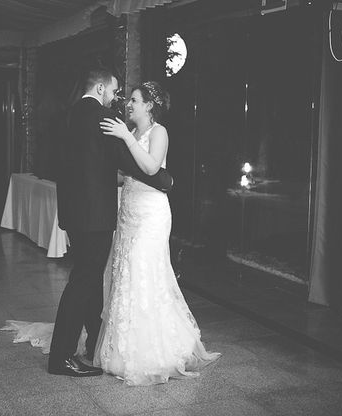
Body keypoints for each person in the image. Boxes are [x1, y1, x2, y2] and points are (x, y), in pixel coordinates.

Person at [46, 69, 173, 377]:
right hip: (95, 214)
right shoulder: (103, 118)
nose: (119, 100)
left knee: (88, 279)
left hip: (76, 213)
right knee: (84, 281)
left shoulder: (68, 114)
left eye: (129, 97)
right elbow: (128, 162)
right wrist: (164, 179)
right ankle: (61, 357)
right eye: (116, 92)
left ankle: (93, 342)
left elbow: (67, 161)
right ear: (101, 87)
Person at [95, 81, 220, 385]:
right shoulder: (131, 131)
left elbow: (151, 168)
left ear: (149, 106)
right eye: (131, 101)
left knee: (145, 273)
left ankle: (154, 351)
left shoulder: (158, 132)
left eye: (135, 101)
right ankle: (123, 346)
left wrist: (125, 136)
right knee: (125, 275)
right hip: (128, 210)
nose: (130, 105)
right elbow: (127, 174)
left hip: (151, 214)